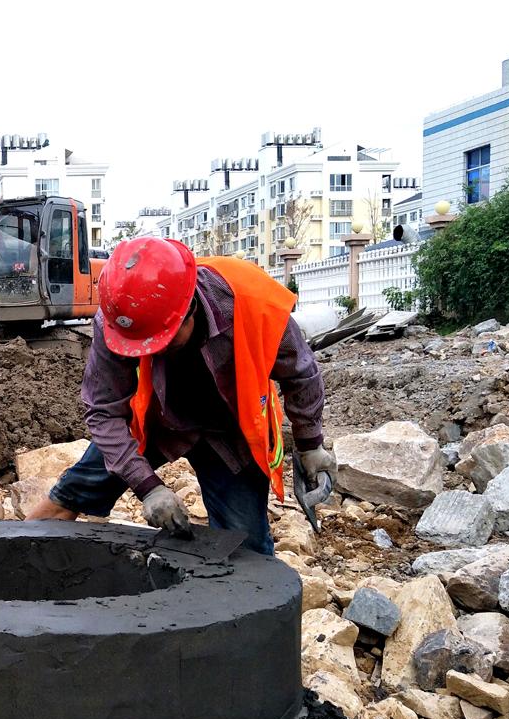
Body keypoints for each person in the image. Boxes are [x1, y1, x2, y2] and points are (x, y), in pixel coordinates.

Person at [27, 236, 334, 555]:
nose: (152, 352)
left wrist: (310, 444)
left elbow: (302, 374)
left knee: (246, 549)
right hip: (155, 421)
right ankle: (19, 555)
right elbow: (103, 412)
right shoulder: (120, 321)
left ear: (191, 308)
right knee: (75, 491)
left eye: (163, 342)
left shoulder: (251, 301)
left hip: (229, 432)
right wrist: (147, 486)